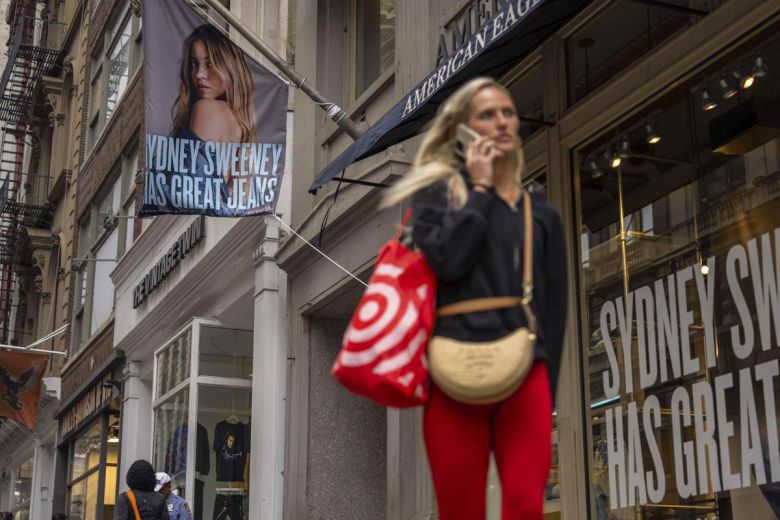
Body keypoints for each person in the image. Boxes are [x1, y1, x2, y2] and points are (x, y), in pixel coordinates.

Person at [381, 77, 568, 519]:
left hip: (525, 372)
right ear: (462, 130)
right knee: (460, 510)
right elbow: (448, 261)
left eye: (507, 112)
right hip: (450, 375)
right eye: (487, 114)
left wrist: (548, 389)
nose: (502, 121)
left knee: (525, 506)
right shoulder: (433, 200)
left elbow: (555, 309)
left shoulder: (540, 212)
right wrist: (480, 191)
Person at [170, 24, 257, 213]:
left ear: (230, 67)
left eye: (210, 64)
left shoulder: (205, 109)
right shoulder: (240, 121)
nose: (200, 75)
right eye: (195, 64)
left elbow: (194, 192)